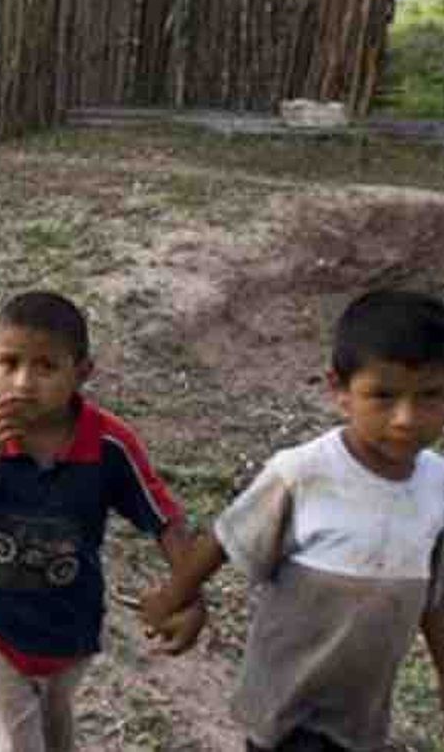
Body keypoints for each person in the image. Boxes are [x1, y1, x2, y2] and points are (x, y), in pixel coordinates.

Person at [141, 289, 444, 752]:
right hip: (285, 703)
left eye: (430, 396)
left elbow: (435, 599)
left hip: (361, 713)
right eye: (383, 396)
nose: (406, 418)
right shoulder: (303, 473)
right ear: (339, 391)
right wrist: (173, 600)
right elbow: (225, 538)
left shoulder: (437, 486)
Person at [0, 290, 205, 752]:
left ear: (82, 372)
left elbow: (164, 519)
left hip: (69, 630)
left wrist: (189, 595)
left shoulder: (109, 445)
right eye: (9, 363)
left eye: (46, 367)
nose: (23, 382)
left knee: (54, 736)